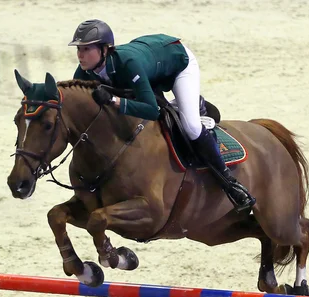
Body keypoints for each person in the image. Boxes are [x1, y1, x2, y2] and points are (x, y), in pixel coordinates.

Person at [68, 19, 256, 212]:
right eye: (78, 50)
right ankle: (178, 105)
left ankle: (230, 183)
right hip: (151, 69)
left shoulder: (127, 64)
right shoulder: (84, 72)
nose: (80, 56)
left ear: (105, 49)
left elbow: (151, 110)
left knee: (191, 126)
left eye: (86, 49)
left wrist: (114, 101)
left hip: (178, 64)